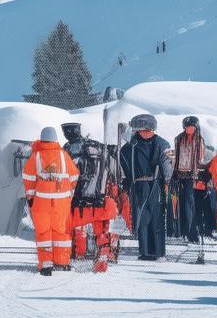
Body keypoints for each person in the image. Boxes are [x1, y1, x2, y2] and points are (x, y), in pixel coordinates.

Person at [24, 127, 80, 275]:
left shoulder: (35, 156)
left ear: (41, 139)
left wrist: (30, 198)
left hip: (41, 202)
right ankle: (62, 263)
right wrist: (70, 192)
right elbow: (74, 175)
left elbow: (28, 179)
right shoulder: (63, 156)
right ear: (56, 139)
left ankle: (46, 265)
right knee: (61, 232)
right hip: (61, 203)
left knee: (43, 233)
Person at [65, 124, 119, 272]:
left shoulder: (68, 149)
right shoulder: (99, 147)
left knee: (77, 229)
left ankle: (78, 256)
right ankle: (103, 257)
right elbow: (113, 169)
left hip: (77, 200)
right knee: (101, 229)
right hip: (98, 198)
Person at [118, 113, 173, 260]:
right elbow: (124, 159)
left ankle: (158, 252)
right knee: (142, 218)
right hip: (138, 185)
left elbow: (168, 165)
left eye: (140, 130)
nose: (138, 133)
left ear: (149, 129)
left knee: (156, 218)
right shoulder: (131, 146)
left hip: (156, 184)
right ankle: (145, 252)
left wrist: (167, 181)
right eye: (137, 131)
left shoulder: (163, 144)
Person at [172, 115, 206, 244]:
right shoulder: (179, 139)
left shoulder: (199, 140)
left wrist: (197, 172)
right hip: (180, 174)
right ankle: (182, 230)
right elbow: (175, 156)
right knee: (180, 203)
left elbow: (200, 158)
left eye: (191, 127)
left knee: (190, 204)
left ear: (196, 127)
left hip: (192, 176)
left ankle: (192, 232)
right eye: (187, 127)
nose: (189, 129)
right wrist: (174, 172)